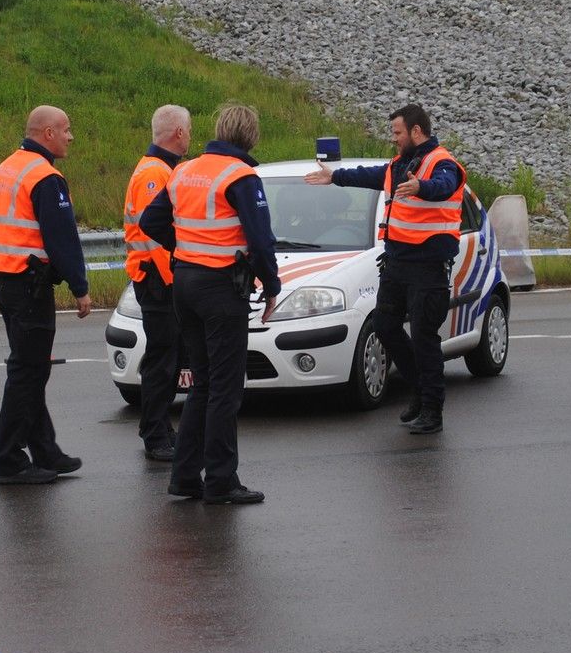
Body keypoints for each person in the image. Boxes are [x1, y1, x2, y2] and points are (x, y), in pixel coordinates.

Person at [140, 104, 280, 505]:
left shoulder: (185, 170)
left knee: (202, 383)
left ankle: (185, 476)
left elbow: (151, 223)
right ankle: (221, 478)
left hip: (184, 282)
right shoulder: (241, 176)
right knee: (225, 387)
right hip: (220, 288)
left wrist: (186, 249)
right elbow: (261, 240)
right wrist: (271, 286)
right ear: (250, 137)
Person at [305, 103, 463, 435]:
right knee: (385, 326)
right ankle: (419, 390)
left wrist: (422, 187)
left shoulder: (441, 162)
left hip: (428, 267)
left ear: (416, 132)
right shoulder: (398, 165)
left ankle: (432, 409)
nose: (393, 139)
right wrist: (334, 177)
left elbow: (446, 185)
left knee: (423, 337)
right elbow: (368, 175)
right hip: (397, 264)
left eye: (397, 133)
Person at [0, 105, 93, 485]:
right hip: (28, 285)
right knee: (28, 373)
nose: (70, 136)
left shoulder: (9, 165)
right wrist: (80, 288)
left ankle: (45, 450)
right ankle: (9, 461)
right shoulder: (45, 176)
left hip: (4, 279)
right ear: (47, 133)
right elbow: (62, 238)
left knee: (31, 368)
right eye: (66, 129)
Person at [121, 104, 192, 462]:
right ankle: (155, 434)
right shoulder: (155, 174)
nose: (190, 138)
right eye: (189, 131)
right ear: (179, 133)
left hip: (158, 278)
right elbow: (156, 236)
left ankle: (161, 427)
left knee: (168, 358)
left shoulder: (163, 169)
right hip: (157, 279)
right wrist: (175, 278)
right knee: (162, 360)